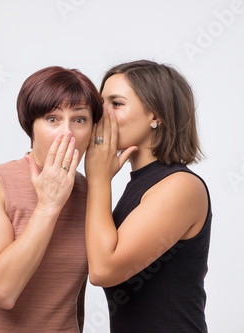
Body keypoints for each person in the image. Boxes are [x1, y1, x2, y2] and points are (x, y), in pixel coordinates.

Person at [0, 66, 103, 332]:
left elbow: (73, 297)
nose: (67, 133)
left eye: (79, 119)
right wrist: (48, 205)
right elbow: (2, 291)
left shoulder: (91, 193)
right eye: (52, 119)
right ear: (31, 125)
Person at [84, 60, 212, 332]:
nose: (101, 114)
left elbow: (103, 270)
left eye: (116, 104)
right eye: (100, 103)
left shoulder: (180, 186)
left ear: (156, 116)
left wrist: (97, 180)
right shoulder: (138, 185)